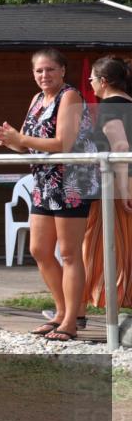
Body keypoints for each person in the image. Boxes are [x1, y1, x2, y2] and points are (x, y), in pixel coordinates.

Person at [0, 48, 99, 342]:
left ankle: (73, 321)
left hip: (71, 181)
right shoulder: (37, 100)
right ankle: (63, 313)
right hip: (43, 180)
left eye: (50, 69)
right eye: (39, 71)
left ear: (63, 70)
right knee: (39, 249)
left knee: (69, 253)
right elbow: (27, 144)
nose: (44, 75)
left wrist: (21, 139)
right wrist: (10, 140)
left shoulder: (70, 97)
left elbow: (63, 142)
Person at [82, 56, 132, 309]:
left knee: (106, 246)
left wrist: (123, 189)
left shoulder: (110, 106)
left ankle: (111, 303)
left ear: (103, 81)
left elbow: (121, 146)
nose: (90, 83)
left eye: (91, 78)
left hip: (118, 183)